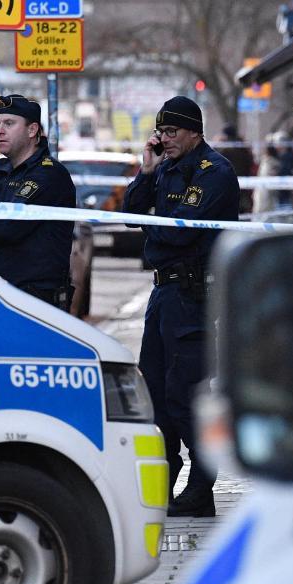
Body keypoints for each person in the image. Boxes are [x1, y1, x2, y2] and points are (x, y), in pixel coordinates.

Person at [122, 96, 240, 517]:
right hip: (164, 293)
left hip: (194, 296)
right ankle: (166, 478)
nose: (164, 139)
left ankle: (203, 487)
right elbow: (132, 215)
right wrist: (147, 170)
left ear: (195, 131)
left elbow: (176, 233)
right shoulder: (167, 167)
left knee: (186, 393)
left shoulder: (214, 172)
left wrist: (157, 227)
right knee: (154, 390)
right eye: (161, 132)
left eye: (172, 132)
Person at [0, 94, 77, 311]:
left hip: (36, 299)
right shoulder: (3, 175)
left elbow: (6, 227)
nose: (0, 130)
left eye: (9, 123)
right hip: (1, 293)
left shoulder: (48, 175)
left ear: (32, 130)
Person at [217, 123, 255, 214]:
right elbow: (250, 162)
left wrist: (218, 143)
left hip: (228, 183)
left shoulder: (224, 148)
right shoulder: (243, 146)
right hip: (244, 182)